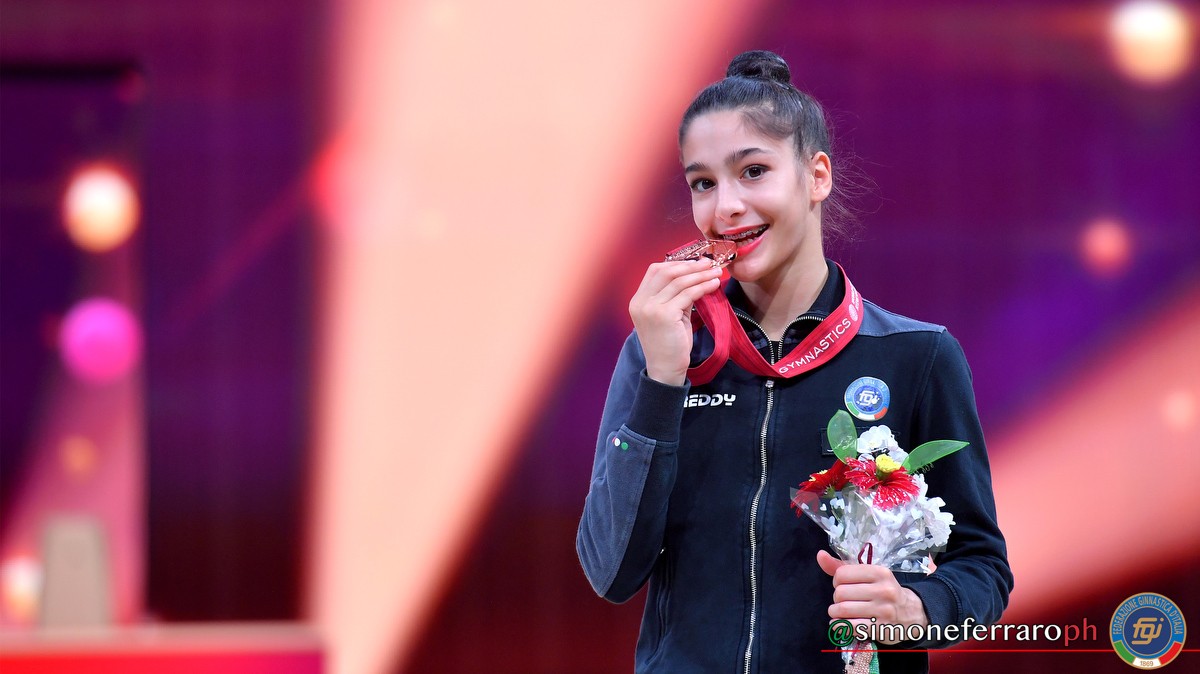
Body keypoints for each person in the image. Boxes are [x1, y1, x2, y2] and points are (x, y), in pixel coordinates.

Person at [576, 50, 1012, 673]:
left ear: (816, 177)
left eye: (753, 171)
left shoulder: (916, 356)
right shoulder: (666, 350)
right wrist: (661, 381)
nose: (724, 207)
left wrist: (919, 607)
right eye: (702, 183)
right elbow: (611, 572)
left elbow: (983, 568)